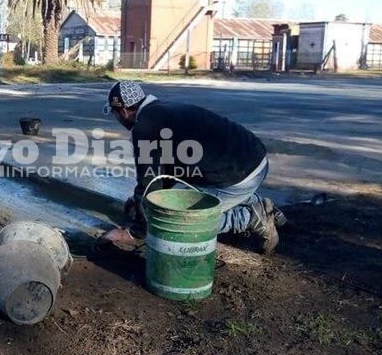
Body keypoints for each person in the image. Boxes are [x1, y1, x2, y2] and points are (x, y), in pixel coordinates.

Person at [101, 81, 285, 254]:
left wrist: (135, 232)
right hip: (255, 160)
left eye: (114, 114)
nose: (116, 118)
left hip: (240, 177)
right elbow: (166, 173)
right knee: (183, 186)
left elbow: (149, 180)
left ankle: (250, 216)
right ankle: (251, 200)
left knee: (172, 223)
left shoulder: (145, 129)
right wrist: (141, 202)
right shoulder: (163, 110)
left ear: (123, 111)